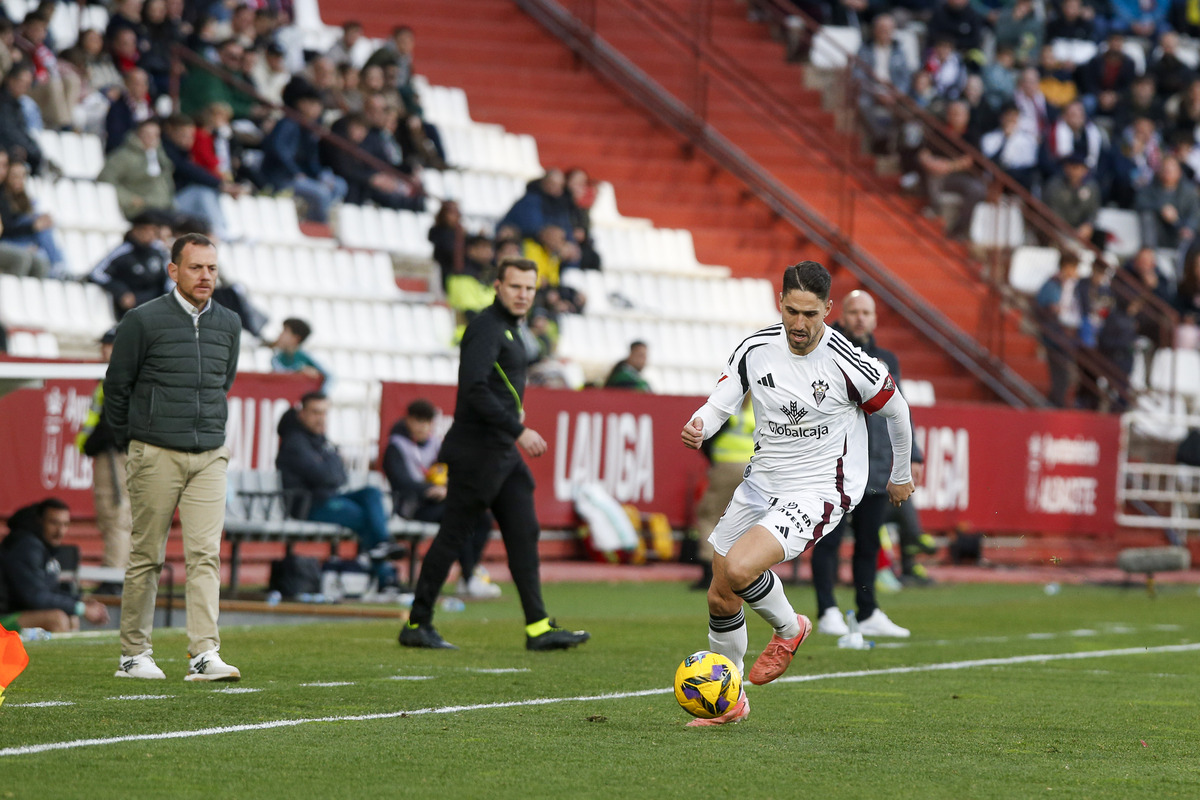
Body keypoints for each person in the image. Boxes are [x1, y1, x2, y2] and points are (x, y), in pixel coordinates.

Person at [680, 261, 914, 726]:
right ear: (779, 303)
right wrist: (702, 423)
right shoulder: (755, 348)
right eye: (792, 311)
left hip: (821, 486)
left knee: (743, 567)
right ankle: (730, 704)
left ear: (829, 309)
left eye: (811, 313)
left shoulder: (849, 361)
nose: (800, 324)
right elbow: (722, 398)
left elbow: (898, 412)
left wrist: (901, 474)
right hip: (761, 481)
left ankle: (791, 628)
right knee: (721, 593)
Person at [399, 258, 590, 651]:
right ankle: (417, 623)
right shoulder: (486, 328)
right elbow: (473, 388)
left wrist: (511, 420)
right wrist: (518, 427)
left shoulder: (511, 330)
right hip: (477, 451)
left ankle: (538, 626)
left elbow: (494, 387)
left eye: (529, 288)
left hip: (500, 452)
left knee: (524, 531)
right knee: (453, 535)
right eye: (515, 286)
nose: (523, 295)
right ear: (498, 286)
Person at [103, 232, 241, 681]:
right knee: (147, 554)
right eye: (197, 267)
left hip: (209, 454)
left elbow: (224, 382)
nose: (206, 276)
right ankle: (133, 655)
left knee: (206, 555)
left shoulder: (230, 324)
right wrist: (136, 441)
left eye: (212, 268)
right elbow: (117, 388)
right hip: (155, 451)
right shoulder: (142, 321)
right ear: (173, 271)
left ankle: (204, 653)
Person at [810, 290, 921, 638]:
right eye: (854, 312)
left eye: (866, 312)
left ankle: (868, 609)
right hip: (835, 464)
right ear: (841, 314)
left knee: (870, 542)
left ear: (874, 318)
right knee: (828, 538)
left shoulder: (886, 359)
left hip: (874, 464)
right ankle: (827, 609)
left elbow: (899, 409)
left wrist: (911, 456)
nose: (860, 318)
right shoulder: (826, 350)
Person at [276, 392, 401, 591]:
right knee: (363, 516)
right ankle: (386, 573)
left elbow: (341, 476)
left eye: (325, 413)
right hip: (308, 506)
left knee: (372, 493)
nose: (321, 418)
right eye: (315, 412)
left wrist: (329, 468)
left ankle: (382, 549)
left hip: (329, 499)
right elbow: (326, 476)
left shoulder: (322, 441)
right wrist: (331, 467)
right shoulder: (294, 442)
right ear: (302, 414)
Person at [383, 399, 500, 599]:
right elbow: (400, 481)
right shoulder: (396, 447)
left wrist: (448, 488)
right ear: (408, 421)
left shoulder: (437, 446)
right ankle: (470, 577)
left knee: (482, 518)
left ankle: (466, 575)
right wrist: (429, 489)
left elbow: (457, 473)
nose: (422, 427)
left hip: (440, 504)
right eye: (418, 421)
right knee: (458, 517)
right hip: (412, 507)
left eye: (427, 422)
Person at [74, 328, 133, 591]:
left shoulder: (119, 378)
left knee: (115, 515)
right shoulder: (130, 375)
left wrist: (92, 443)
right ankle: (120, 574)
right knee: (124, 517)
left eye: (108, 345)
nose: (103, 351)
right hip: (122, 454)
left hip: (113, 456)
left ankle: (114, 576)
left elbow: (112, 424)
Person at [0, 498, 110, 635]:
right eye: (54, 523)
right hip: (3, 619)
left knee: (71, 617)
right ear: (39, 521)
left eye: (65, 524)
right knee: (57, 619)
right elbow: (35, 597)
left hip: (20, 613)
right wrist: (81, 608)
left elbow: (49, 591)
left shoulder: (44, 546)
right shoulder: (25, 547)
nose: (60, 531)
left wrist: (79, 600)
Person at [691, 397, 755, 591]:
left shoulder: (730, 404)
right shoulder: (760, 404)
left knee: (709, 515)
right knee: (745, 519)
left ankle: (709, 573)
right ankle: (745, 571)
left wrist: (713, 460)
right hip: (754, 467)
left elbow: (707, 438)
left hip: (727, 464)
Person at [88, 210, 172, 319]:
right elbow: (97, 273)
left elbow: (169, 280)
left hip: (158, 307)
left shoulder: (160, 252)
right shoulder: (123, 252)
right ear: (135, 230)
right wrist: (121, 291)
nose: (151, 235)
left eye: (154, 231)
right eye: (147, 230)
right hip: (132, 309)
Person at [98, 118, 176, 222]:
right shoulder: (123, 156)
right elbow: (105, 180)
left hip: (162, 206)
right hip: (138, 209)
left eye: (155, 135)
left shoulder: (160, 156)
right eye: (147, 134)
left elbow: (166, 182)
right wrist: (129, 199)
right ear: (138, 134)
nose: (151, 138)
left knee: (191, 224)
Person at [1035, 253, 1083, 407]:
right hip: (1055, 337)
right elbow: (1046, 309)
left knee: (1065, 377)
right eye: (1073, 267)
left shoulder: (1072, 286)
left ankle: (1055, 407)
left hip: (1067, 338)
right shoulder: (1052, 285)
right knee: (1060, 377)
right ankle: (1054, 409)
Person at [270, 316, 331, 388]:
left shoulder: (305, 356)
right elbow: (279, 374)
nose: (280, 335)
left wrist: (319, 395)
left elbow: (329, 376)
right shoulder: (276, 358)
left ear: (296, 338)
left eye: (285, 331)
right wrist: (299, 371)